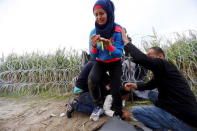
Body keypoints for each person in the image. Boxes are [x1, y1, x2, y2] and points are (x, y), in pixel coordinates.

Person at [121, 29, 197, 130]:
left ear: (160, 56)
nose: (147, 57)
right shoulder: (164, 71)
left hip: (184, 121)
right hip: (189, 113)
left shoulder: (163, 63)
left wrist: (126, 41)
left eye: (149, 55)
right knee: (152, 94)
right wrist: (136, 85)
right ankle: (162, 117)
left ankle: (161, 128)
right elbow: (150, 85)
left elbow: (142, 59)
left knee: (136, 111)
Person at [88, 0, 125, 121]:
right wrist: (93, 46)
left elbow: (119, 53)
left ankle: (118, 111)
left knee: (115, 86)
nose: (99, 17)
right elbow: (93, 56)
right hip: (101, 62)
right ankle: (98, 106)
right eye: (96, 14)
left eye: (101, 13)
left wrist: (109, 45)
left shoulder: (118, 30)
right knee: (92, 79)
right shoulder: (93, 33)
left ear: (109, 13)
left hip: (115, 62)